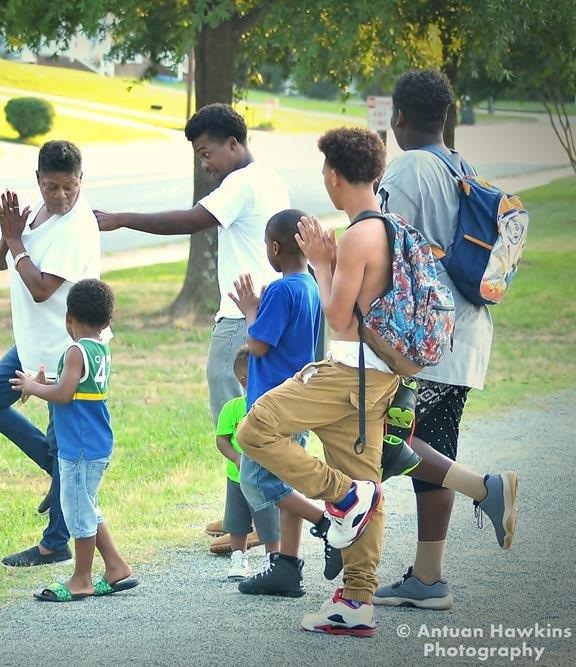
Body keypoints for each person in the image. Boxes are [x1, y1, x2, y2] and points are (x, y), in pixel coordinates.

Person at [96, 103, 290, 552]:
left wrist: (123, 218)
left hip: (242, 319)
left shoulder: (240, 183)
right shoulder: (268, 178)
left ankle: (264, 520)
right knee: (253, 415)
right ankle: (241, 513)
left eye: (207, 153)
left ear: (234, 144)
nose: (205, 165)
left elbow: (191, 221)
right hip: (263, 312)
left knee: (236, 422)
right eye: (199, 157)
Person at [236, 127, 401, 637]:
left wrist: (327, 263)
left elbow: (339, 318)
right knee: (367, 479)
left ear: (333, 175)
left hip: (346, 373)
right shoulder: (390, 224)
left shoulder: (359, 234)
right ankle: (356, 603)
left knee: (254, 430)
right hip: (377, 378)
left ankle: (342, 498)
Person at [372, 69, 519, 610]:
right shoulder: (461, 164)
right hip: (467, 328)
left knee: (393, 442)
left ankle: (485, 488)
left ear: (399, 118)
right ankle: (428, 578)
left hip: (428, 332)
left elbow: (387, 250)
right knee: (428, 444)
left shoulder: (408, 167)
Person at [0, 140, 101, 568]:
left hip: (68, 352)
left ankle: (54, 543)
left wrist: (15, 241)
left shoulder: (77, 225)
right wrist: (9, 237)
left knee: (66, 442)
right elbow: (0, 262)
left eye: (69, 186)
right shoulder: (36, 214)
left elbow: (42, 289)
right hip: (31, 345)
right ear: (38, 180)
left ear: (81, 180)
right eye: (51, 187)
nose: (61, 196)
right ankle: (57, 470)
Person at [227, 209, 342, 597]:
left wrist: (249, 309)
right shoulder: (311, 285)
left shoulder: (280, 289)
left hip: (271, 405)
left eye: (265, 245)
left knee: (257, 478)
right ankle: (287, 567)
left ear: (274, 248)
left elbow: (258, 344)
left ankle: (328, 524)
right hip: (300, 399)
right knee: (287, 479)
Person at [11, 279, 138, 601]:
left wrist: (33, 387)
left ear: (68, 318)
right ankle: (115, 567)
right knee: (87, 506)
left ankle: (81, 579)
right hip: (95, 443)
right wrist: (45, 383)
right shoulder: (99, 349)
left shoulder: (74, 350)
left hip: (78, 448)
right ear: (107, 321)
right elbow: (75, 387)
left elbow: (65, 394)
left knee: (78, 511)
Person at [216, 348, 284, 581]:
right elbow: (222, 440)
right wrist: (236, 458)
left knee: (268, 518)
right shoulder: (232, 408)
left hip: (264, 477)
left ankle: (273, 557)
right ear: (245, 381)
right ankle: (239, 557)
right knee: (237, 521)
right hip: (237, 477)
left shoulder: (272, 407)